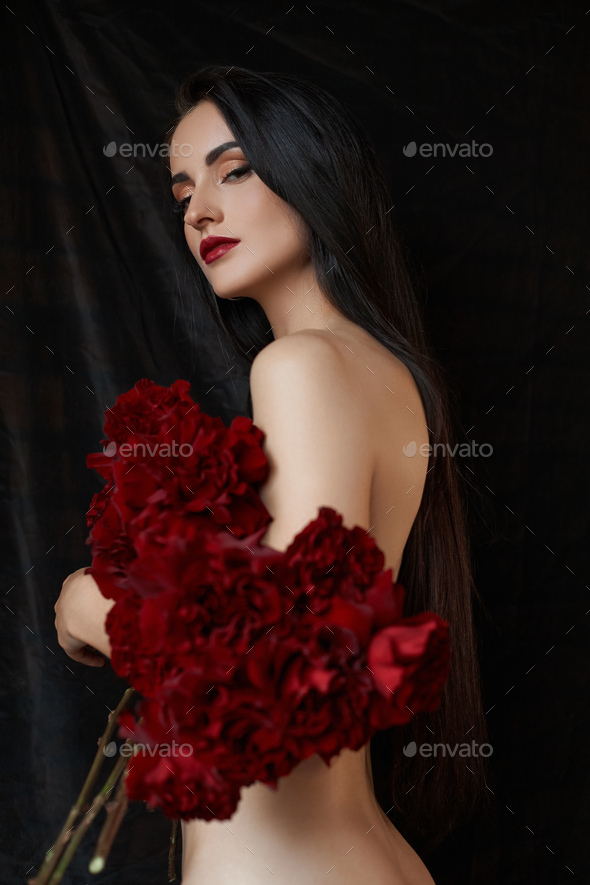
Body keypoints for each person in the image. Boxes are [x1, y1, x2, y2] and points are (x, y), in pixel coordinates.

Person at [54, 65, 491, 884]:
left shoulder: (301, 368)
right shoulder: (386, 374)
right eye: (182, 190)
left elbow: (289, 665)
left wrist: (86, 604)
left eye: (235, 170)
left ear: (310, 170)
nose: (200, 211)